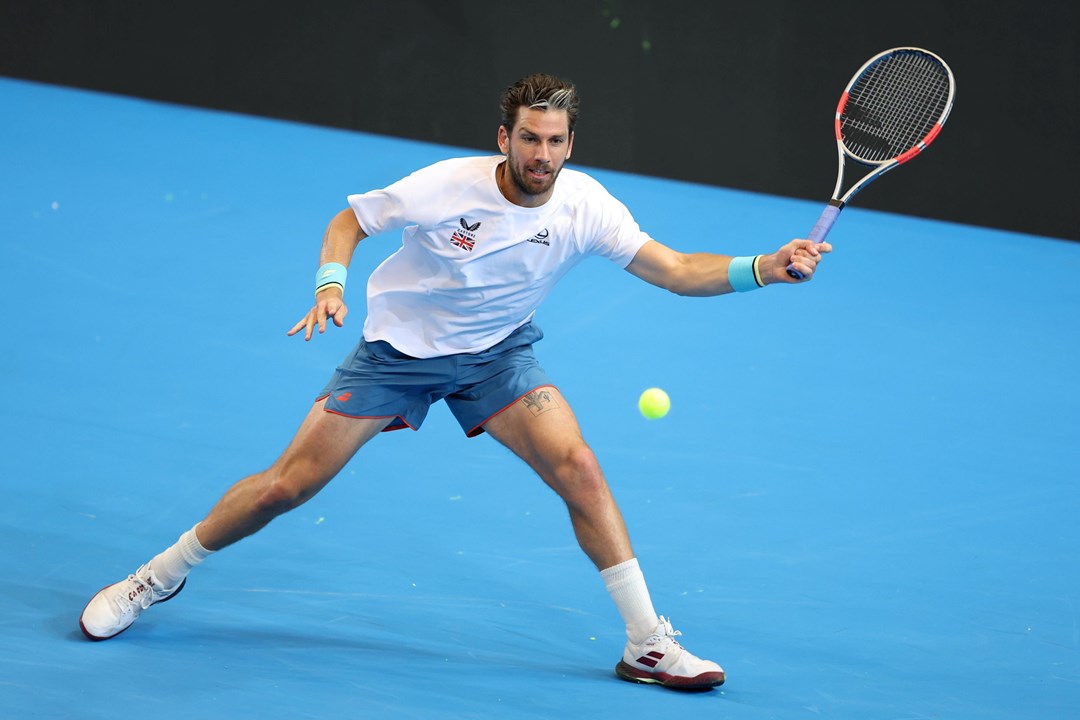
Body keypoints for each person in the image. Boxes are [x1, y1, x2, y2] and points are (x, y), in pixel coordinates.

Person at [79, 73, 829, 690]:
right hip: (396, 354)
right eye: (529, 138)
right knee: (286, 487)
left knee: (579, 466)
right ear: (504, 139)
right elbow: (348, 221)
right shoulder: (446, 187)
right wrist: (331, 284)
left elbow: (672, 269)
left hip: (497, 357)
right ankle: (156, 577)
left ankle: (645, 644)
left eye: (555, 141)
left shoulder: (585, 204)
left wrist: (764, 267)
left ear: (571, 145)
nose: (542, 153)